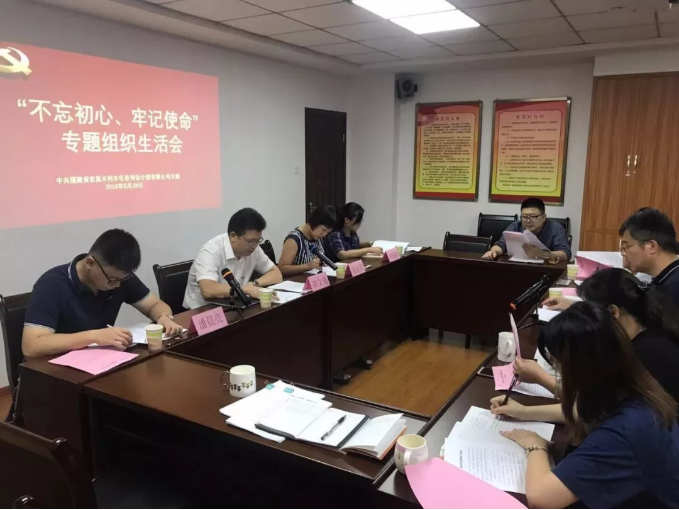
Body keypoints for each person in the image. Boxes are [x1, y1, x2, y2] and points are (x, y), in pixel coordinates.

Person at [493, 302, 679, 508]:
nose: (559, 374)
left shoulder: (624, 432)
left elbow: (541, 498)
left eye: (558, 366)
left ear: (581, 369)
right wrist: (524, 412)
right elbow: (581, 411)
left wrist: (535, 445)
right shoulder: (635, 386)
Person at [524, 268, 679, 405]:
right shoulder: (646, 329)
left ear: (613, 312)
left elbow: (596, 410)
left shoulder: (643, 356)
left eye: (590, 312)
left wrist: (540, 378)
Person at [22, 229, 184, 357]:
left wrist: (163, 317)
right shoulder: (52, 285)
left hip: (98, 362)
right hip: (54, 371)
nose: (118, 285)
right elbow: (31, 346)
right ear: (90, 263)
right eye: (112, 280)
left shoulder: (120, 278)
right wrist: (94, 337)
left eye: (122, 279)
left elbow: (154, 305)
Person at [183, 208, 283, 309]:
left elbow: (276, 274)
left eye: (258, 241)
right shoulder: (210, 251)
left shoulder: (253, 249)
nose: (254, 246)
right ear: (233, 236)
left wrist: (254, 284)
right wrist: (246, 290)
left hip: (235, 305)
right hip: (202, 311)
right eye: (250, 241)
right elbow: (208, 290)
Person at [619, 207, 679, 306]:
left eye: (626, 246)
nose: (623, 253)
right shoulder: (664, 280)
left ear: (651, 246)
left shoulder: (674, 287)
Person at [482, 198, 571, 262]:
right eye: (524, 217)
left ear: (544, 217)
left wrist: (542, 254)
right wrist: (493, 251)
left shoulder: (555, 229)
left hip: (546, 271)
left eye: (533, 216)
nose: (528, 220)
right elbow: (501, 244)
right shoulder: (516, 226)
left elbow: (565, 254)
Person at [278, 205, 336, 277]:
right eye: (323, 230)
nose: (324, 234)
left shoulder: (318, 237)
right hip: (297, 281)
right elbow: (282, 269)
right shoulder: (294, 239)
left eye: (327, 232)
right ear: (315, 222)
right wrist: (307, 266)